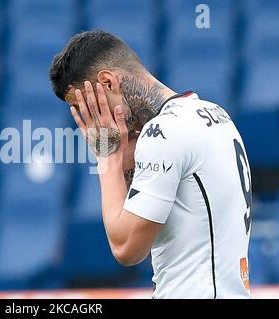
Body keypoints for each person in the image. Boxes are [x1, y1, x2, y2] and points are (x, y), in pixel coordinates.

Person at [49, 30, 252, 299]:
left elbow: (127, 249)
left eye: (89, 107)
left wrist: (106, 156)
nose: (94, 123)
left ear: (108, 83)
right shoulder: (214, 113)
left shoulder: (165, 132)